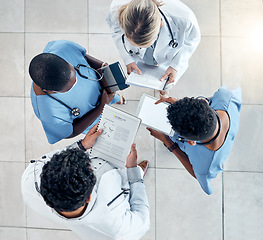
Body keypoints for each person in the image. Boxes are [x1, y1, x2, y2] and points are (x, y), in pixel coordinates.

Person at [21, 124, 150, 240]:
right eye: (91, 166)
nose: (92, 158)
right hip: (126, 180)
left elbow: (50, 159)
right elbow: (142, 218)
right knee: (135, 181)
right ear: (88, 197)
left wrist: (81, 145)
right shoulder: (118, 227)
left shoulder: (29, 180)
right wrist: (134, 173)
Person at [147, 86, 242, 194]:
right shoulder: (225, 96)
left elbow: (198, 177)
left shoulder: (206, 167)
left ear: (191, 142)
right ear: (204, 102)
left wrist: (168, 142)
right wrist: (180, 106)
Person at [29, 40, 125, 144]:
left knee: (112, 96)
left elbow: (82, 55)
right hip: (94, 116)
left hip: (101, 87)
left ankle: (116, 99)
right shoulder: (49, 114)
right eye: (69, 88)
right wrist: (101, 106)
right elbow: (71, 132)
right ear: (49, 91)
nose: (77, 81)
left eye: (75, 71)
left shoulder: (61, 47)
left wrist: (103, 66)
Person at [107, 0, 201, 97]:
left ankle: (163, 91)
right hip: (143, 54)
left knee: (166, 82)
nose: (140, 48)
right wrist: (128, 59)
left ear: (160, 24)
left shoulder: (185, 18)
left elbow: (193, 39)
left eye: (144, 45)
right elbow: (116, 32)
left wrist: (175, 65)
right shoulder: (116, 9)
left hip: (169, 54)